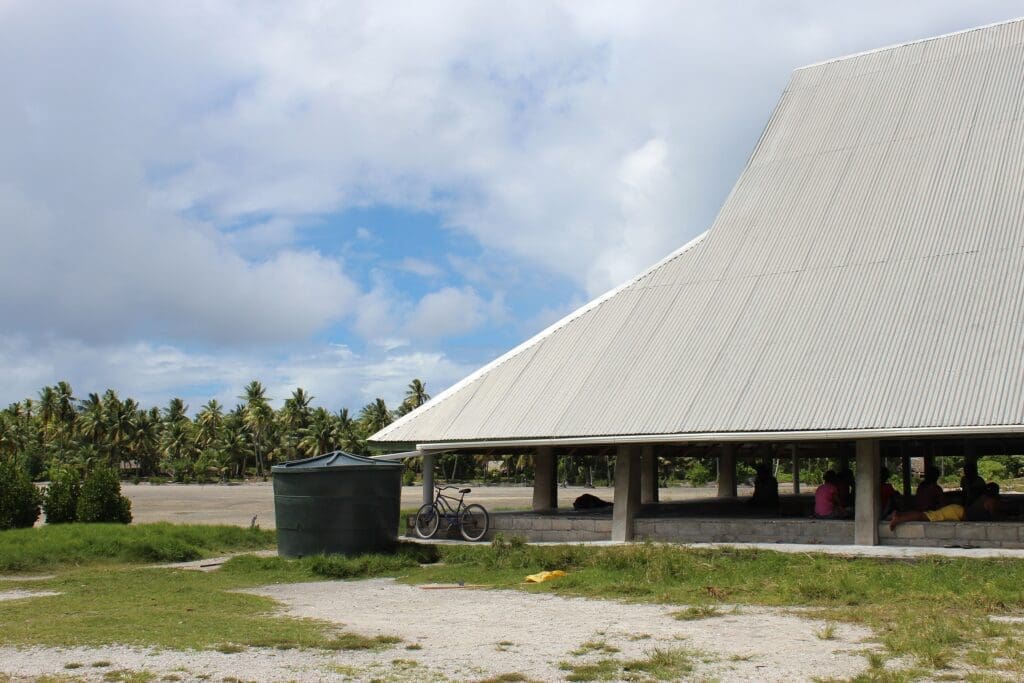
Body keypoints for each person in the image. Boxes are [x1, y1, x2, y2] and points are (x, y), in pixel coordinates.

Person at [889, 484, 999, 530]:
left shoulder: (983, 497)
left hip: (957, 511)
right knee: (924, 516)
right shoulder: (991, 501)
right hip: (957, 512)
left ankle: (899, 514)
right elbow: (994, 518)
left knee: (924, 515)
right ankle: (899, 519)